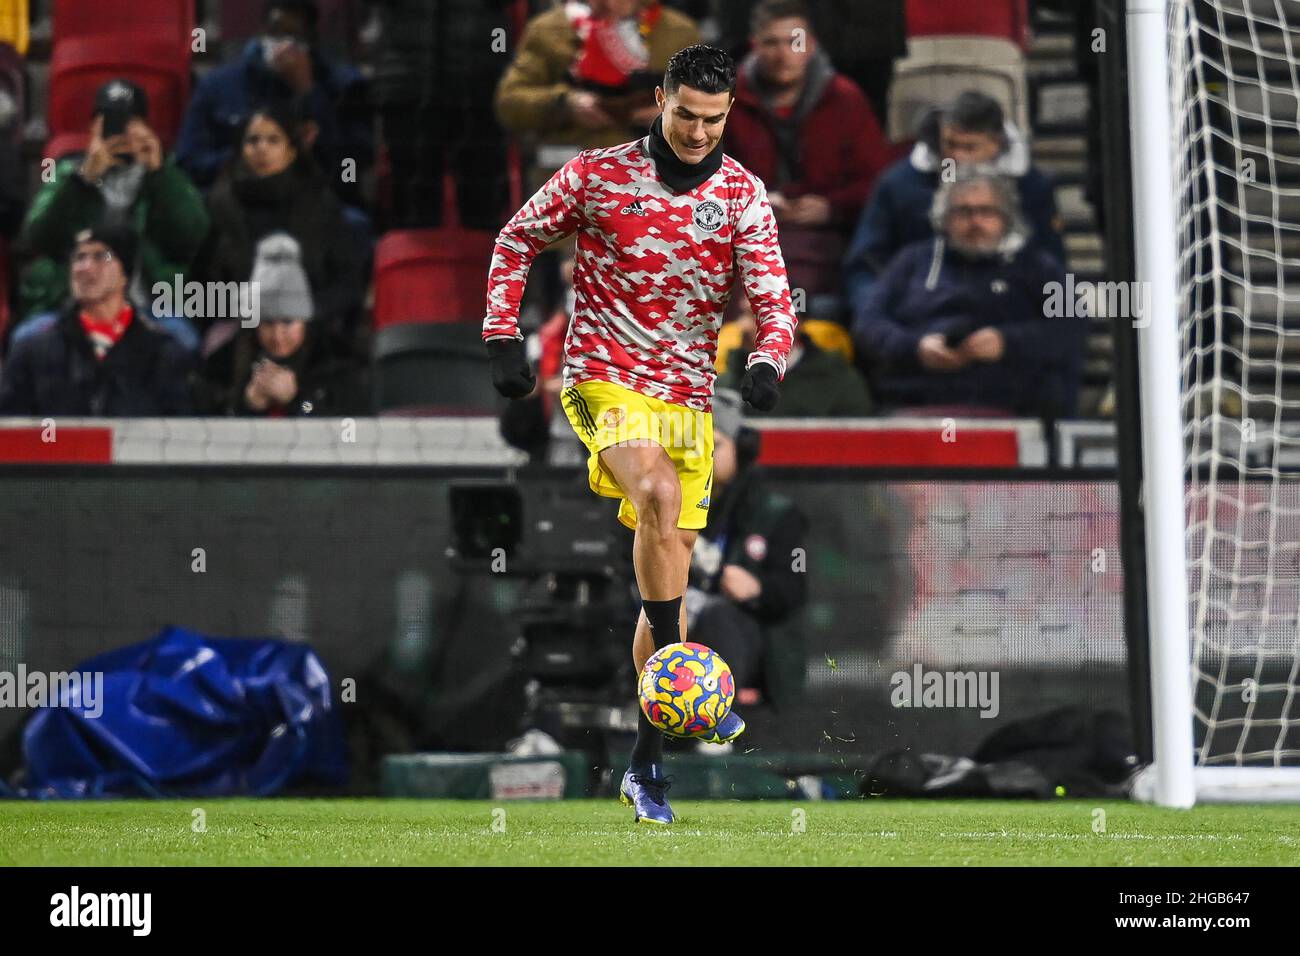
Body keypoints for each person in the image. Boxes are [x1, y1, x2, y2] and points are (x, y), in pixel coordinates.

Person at [483, 45, 797, 824]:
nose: (697, 131)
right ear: (660, 98)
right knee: (656, 498)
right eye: (685, 113)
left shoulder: (744, 195)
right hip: (602, 378)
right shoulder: (597, 175)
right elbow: (515, 238)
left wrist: (766, 362)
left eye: (713, 119)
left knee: (668, 581)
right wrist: (502, 335)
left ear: (730, 115)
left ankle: (645, 765)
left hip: (689, 398)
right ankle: (687, 669)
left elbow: (776, 301)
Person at [851, 171, 1083, 417]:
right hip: (916, 401)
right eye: (963, 212)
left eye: (986, 211)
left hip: (1011, 406)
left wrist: (1007, 342)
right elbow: (868, 323)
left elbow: (1072, 326)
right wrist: (914, 347)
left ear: (1006, 218)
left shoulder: (1038, 266)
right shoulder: (911, 261)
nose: (975, 222)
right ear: (944, 219)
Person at [723, 0, 891, 299]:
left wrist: (830, 207)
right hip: (743, 237)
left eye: (794, 42)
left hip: (827, 238)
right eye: (771, 42)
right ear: (754, 46)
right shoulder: (726, 102)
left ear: (811, 46)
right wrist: (757, 202)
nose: (782, 54)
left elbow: (877, 184)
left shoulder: (845, 99)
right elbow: (704, 179)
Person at [17, 79, 209, 333]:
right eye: (110, 123)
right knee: (26, 337)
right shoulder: (67, 171)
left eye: (129, 123)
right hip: (72, 302)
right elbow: (38, 237)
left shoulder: (166, 173)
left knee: (183, 339)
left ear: (145, 128)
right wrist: (83, 179)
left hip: (148, 304)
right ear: (93, 128)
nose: (120, 134)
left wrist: (158, 176)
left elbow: (191, 239)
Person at [844, 90, 1066, 307]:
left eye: (970, 147)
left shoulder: (1031, 188)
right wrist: (876, 314)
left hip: (1007, 311)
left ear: (997, 144)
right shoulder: (899, 186)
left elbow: (1052, 267)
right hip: (915, 315)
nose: (957, 157)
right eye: (950, 144)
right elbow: (865, 265)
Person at [196, 104, 364, 353]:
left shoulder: (320, 203)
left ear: (291, 151)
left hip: (309, 325)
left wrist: (306, 312)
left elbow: (348, 282)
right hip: (240, 324)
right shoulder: (219, 204)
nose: (261, 148)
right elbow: (199, 285)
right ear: (241, 150)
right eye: (253, 140)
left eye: (273, 140)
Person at [683, 388, 809, 707]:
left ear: (743, 450)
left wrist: (757, 590)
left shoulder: (777, 514)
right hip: (679, 629)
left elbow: (793, 590)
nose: (702, 455)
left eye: (715, 444)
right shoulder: (667, 505)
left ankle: (715, 721)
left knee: (720, 617)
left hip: (744, 638)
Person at [175, 0, 372, 201]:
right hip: (237, 202)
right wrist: (244, 159)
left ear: (311, 40)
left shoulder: (340, 86)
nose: (285, 45)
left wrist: (309, 93)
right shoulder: (217, 86)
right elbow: (189, 161)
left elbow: (349, 170)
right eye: (277, 33)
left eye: (295, 35)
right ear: (262, 33)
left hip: (310, 203)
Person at [495, 0, 700, 186]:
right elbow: (510, 102)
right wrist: (567, 103)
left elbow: (710, 105)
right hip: (570, 180)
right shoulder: (552, 29)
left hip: (654, 181)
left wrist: (672, 115)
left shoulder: (677, 32)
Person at [0, 225, 194, 415]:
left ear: (125, 273)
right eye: (79, 257)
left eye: (101, 257)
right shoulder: (33, 351)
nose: (85, 267)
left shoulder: (163, 353)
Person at [194, 233, 367, 416]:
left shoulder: (337, 360)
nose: (277, 335)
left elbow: (347, 431)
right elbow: (209, 421)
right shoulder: (224, 361)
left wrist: (298, 401)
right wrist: (247, 405)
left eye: (287, 322)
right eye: (267, 323)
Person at [716, 296, 872, 416]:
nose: (742, 326)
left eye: (756, 316)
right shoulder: (726, 383)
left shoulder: (839, 382)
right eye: (743, 314)